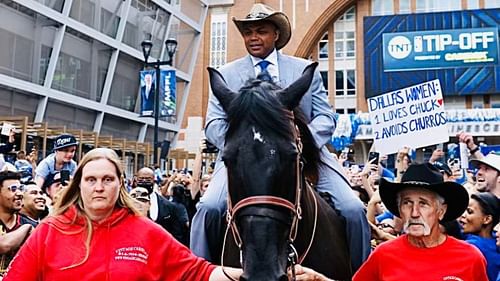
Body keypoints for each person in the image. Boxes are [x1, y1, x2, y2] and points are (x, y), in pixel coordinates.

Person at [192, 3, 370, 270]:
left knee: (353, 210)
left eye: (261, 31)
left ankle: (360, 272)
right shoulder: (226, 75)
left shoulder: (302, 69)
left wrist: (301, 140)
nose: (253, 37)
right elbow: (214, 123)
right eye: (248, 32)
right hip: (243, 160)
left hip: (307, 156)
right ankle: (200, 271)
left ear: (276, 34)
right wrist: (241, 142)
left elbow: (325, 117)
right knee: (208, 208)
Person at [3, 148, 243, 281]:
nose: (99, 187)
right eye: (91, 180)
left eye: (107, 179)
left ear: (121, 184)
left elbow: (200, 273)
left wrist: (255, 276)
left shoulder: (145, 231)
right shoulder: (50, 230)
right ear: (79, 185)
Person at [353, 163, 488, 281]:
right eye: (407, 203)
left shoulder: (471, 258)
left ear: (441, 211)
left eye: (423, 204)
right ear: (400, 210)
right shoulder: (383, 255)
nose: (414, 213)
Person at [459, 192, 500, 281]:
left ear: (487, 219)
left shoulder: (470, 247)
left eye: (469, 212)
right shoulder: (496, 242)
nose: (463, 215)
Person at [0, 170, 34, 275]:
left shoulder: (32, 224)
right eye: (13, 189)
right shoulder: (28, 227)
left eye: (21, 189)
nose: (19, 193)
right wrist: (26, 228)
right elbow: (3, 245)